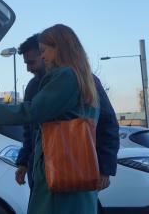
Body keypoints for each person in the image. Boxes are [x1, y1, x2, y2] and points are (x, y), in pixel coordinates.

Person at [0, 24, 101, 214]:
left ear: (60, 47)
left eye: (44, 51)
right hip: (76, 167)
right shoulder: (83, 78)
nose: (42, 57)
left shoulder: (65, 76)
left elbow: (33, 111)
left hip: (59, 168)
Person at [15, 34, 120, 197]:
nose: (28, 69)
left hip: (76, 172)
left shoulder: (85, 80)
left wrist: (105, 169)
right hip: (42, 175)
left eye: (31, 62)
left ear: (48, 54)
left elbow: (108, 124)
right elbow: (30, 130)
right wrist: (23, 163)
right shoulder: (33, 87)